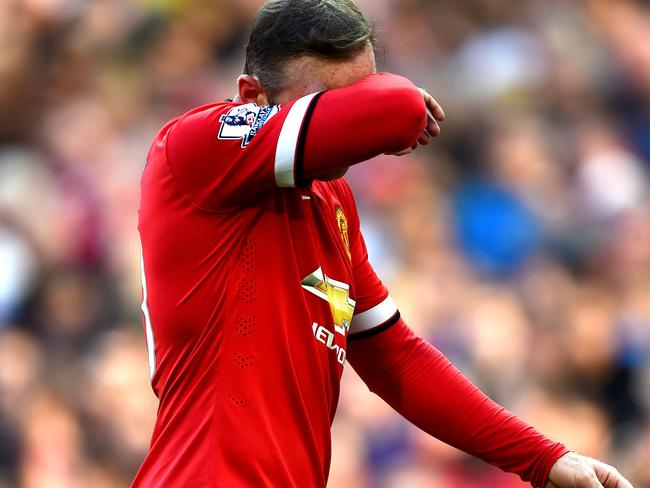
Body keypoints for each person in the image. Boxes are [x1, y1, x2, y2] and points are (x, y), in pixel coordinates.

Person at [134, 1, 634, 487]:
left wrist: (543, 459)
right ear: (252, 97)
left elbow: (397, 360)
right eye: (330, 101)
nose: (352, 118)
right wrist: (390, 103)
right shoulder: (195, 147)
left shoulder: (333, 201)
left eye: (360, 91)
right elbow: (395, 107)